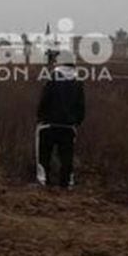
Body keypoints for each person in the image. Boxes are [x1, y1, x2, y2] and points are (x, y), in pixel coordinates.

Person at [36, 56, 86, 189]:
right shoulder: (77, 81)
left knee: (44, 154)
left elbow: (45, 99)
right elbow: (81, 105)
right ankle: (66, 183)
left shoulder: (52, 78)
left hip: (49, 124)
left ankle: (44, 181)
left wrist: (40, 117)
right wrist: (77, 121)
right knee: (66, 156)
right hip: (68, 126)